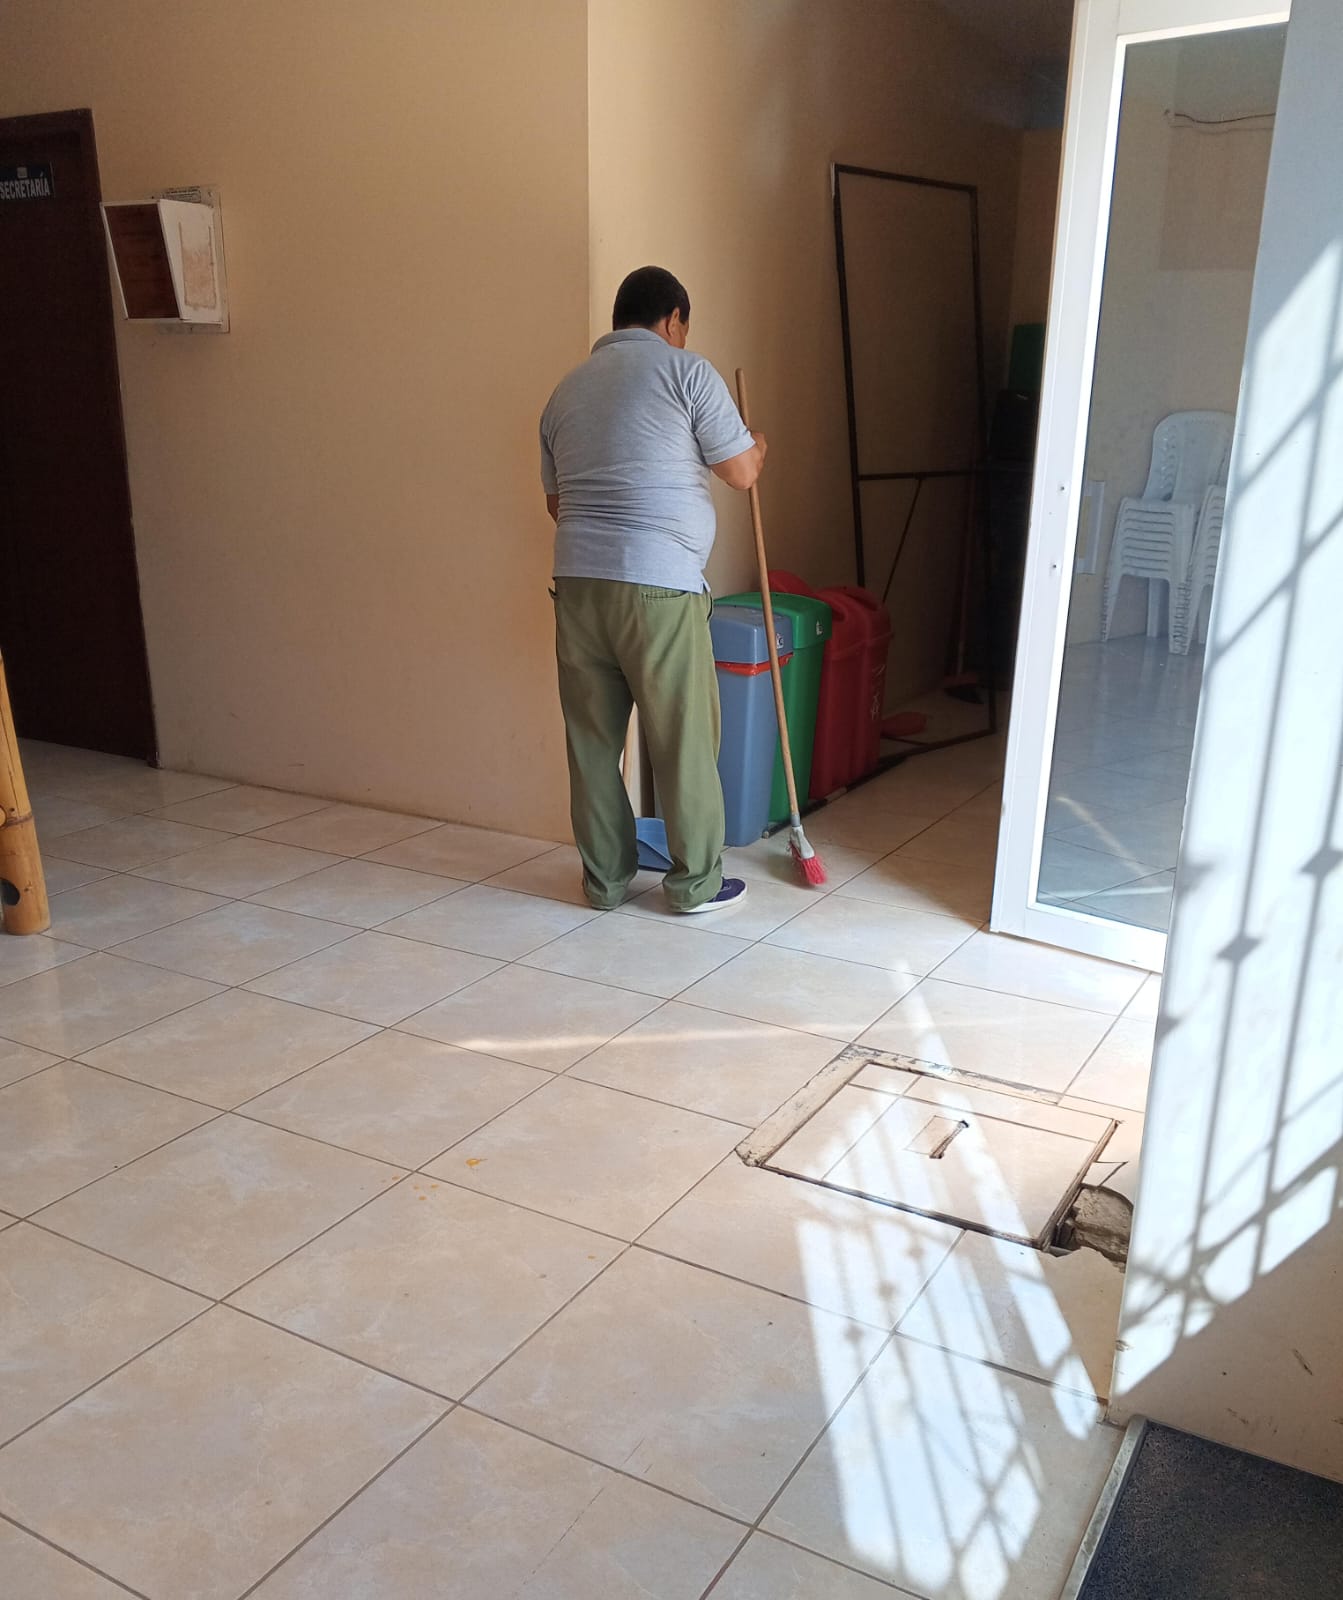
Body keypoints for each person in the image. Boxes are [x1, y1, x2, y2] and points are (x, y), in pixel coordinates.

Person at [540, 266, 767, 913]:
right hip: (660, 589)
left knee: (591, 744)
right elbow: (740, 472)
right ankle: (695, 885)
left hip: (578, 586)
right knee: (683, 740)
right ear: (673, 320)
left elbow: (558, 504)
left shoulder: (564, 392)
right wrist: (757, 443)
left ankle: (605, 882)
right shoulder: (686, 371)